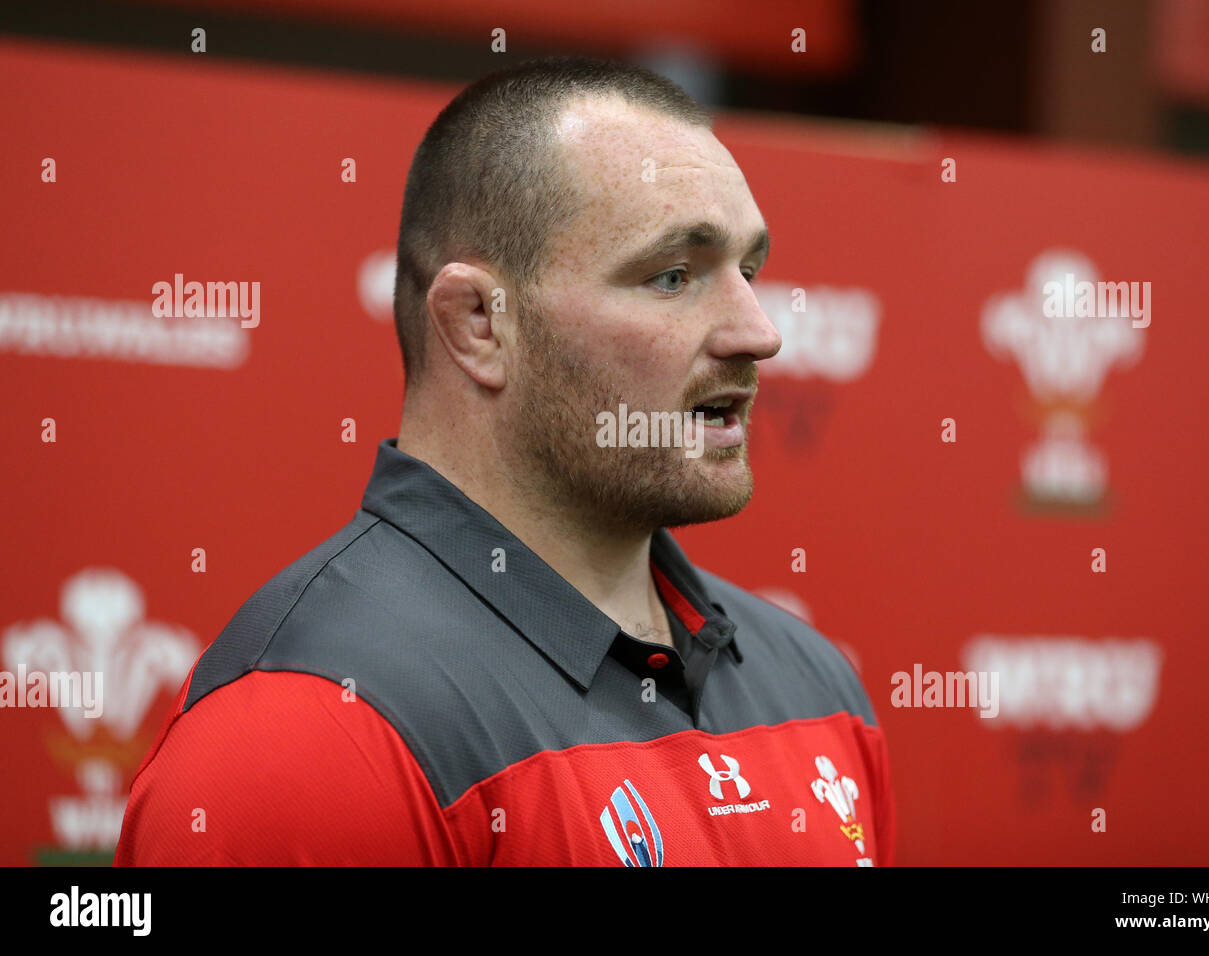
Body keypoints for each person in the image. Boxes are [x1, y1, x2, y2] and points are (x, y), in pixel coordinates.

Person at [114, 54, 895, 867]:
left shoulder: (814, 687)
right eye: (673, 276)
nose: (760, 332)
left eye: (749, 271)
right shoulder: (305, 739)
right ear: (480, 324)